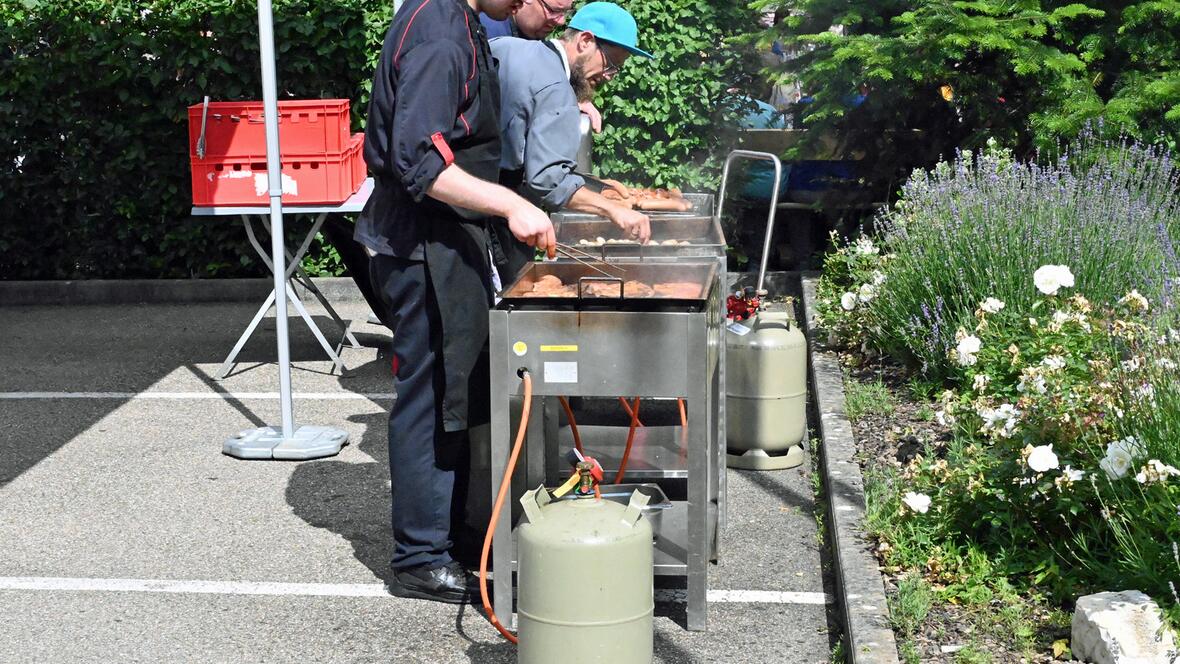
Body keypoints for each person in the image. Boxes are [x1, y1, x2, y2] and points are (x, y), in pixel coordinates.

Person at [356, 0, 556, 605]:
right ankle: (420, 555)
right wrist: (512, 205)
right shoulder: (440, 34)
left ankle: (461, 536)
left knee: (460, 387)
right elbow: (421, 162)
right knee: (431, 395)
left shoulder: (461, 19)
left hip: (448, 239)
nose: (524, 3)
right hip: (421, 244)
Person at [488, 1, 654, 280]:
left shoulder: (507, 46)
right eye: (611, 64)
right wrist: (614, 210)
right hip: (495, 218)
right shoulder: (557, 90)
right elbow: (548, 181)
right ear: (585, 40)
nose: (609, 77)